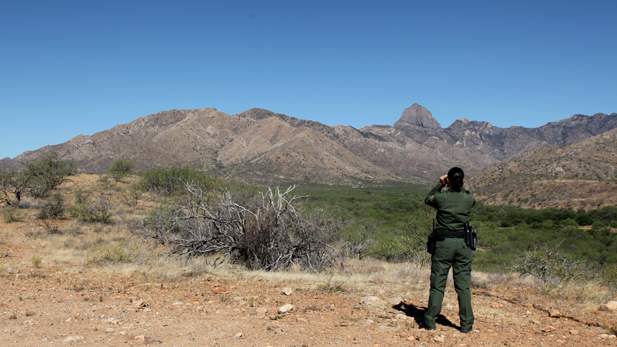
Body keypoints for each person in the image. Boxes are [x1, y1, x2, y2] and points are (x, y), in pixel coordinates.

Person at [423, 167, 475, 333]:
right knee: (463, 287)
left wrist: (439, 185)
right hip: (463, 244)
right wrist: (459, 185)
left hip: (443, 244)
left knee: (438, 285)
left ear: (449, 181)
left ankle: (430, 321)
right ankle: (466, 325)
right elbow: (467, 196)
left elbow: (427, 199)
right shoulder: (469, 198)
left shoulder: (441, 197)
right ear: (463, 181)